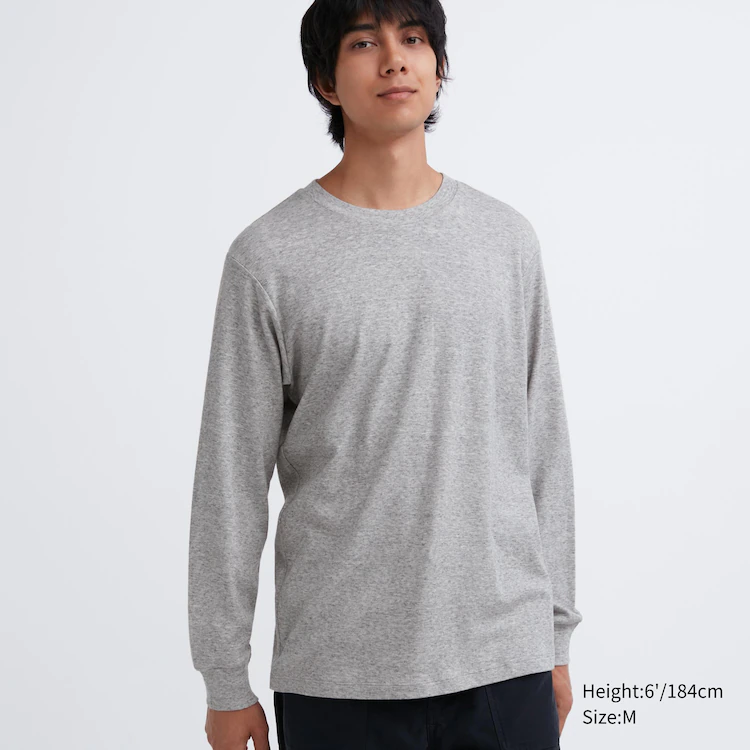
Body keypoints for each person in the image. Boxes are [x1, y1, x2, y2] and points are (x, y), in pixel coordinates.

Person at [188, 1, 583, 748]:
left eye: (414, 39)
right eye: (364, 42)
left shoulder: (505, 242)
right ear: (325, 82)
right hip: (338, 674)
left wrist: (555, 637)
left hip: (504, 660)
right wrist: (224, 678)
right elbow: (229, 481)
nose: (395, 59)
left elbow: (544, 448)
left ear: (439, 66)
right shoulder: (268, 257)